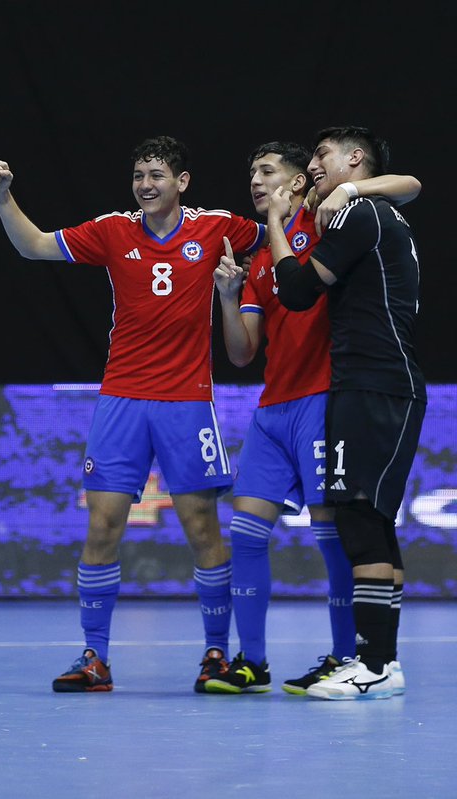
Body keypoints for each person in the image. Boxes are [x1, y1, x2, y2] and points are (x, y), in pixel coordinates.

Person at [0, 136, 264, 693]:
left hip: (187, 402)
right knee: (102, 526)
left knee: (202, 529)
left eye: (156, 175)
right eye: (139, 176)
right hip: (121, 400)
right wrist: (1, 196)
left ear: (182, 182)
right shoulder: (113, 230)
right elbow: (33, 246)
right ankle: (95, 658)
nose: (145, 185)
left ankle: (215, 652)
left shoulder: (217, 227)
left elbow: (283, 231)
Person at [205, 143, 420, 695]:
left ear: (300, 181)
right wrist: (228, 297)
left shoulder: (329, 217)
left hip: (326, 400)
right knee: (245, 532)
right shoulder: (261, 256)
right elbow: (242, 353)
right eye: (251, 172)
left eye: (267, 171)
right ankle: (253, 663)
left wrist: (347, 187)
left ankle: (349, 657)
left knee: (339, 535)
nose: (255, 181)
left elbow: (407, 185)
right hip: (273, 410)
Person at [268, 126, 424, 700]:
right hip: (382, 384)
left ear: (355, 159)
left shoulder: (361, 213)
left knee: (359, 521)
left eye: (322, 156)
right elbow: (408, 184)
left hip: (372, 384)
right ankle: (383, 662)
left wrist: (277, 224)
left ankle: (374, 665)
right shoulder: (376, 210)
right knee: (373, 522)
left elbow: (296, 291)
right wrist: (335, 194)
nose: (312, 165)